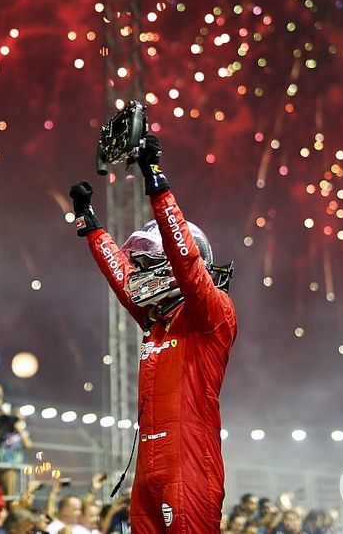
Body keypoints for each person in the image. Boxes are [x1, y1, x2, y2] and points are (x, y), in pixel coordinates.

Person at [70, 132, 237, 533]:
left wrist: (155, 181)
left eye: (148, 264)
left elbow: (186, 262)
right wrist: (91, 226)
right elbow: (121, 278)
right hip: (149, 465)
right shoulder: (156, 322)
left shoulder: (211, 313)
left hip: (190, 462)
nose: (140, 274)